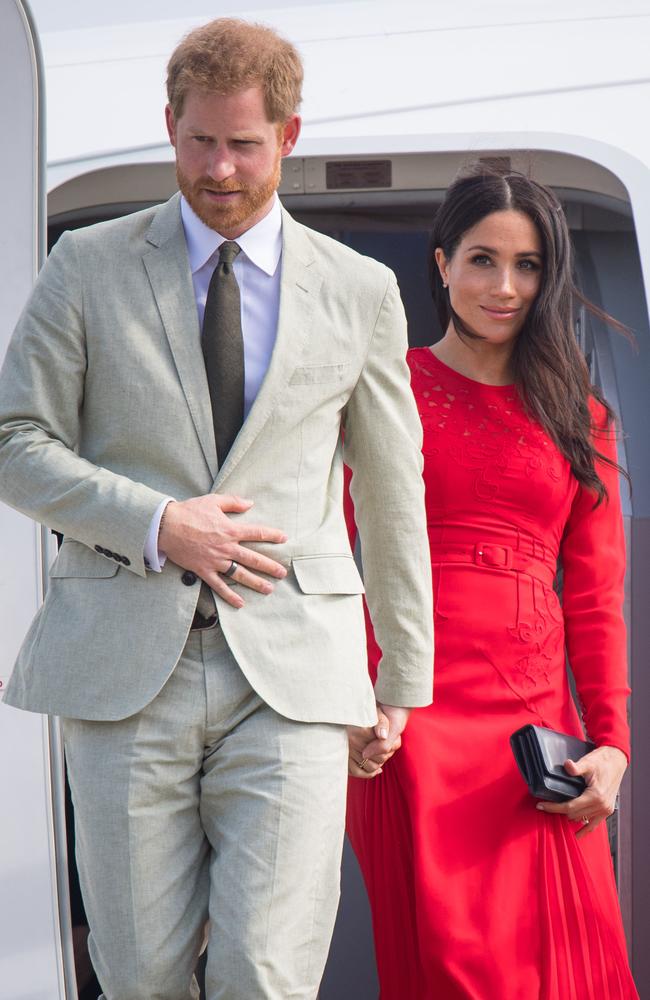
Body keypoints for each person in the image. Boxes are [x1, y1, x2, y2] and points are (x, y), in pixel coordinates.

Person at [0, 18, 434, 1000]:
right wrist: (160, 523)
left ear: (287, 135)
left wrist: (400, 676)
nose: (219, 167)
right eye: (199, 140)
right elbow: (14, 444)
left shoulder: (358, 290)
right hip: (123, 672)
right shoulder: (89, 267)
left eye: (243, 143)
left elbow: (390, 487)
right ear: (169, 125)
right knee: (142, 978)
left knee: (263, 972)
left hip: (292, 675)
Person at [346, 167, 639, 999]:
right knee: (450, 966)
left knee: (564, 963)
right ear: (441, 264)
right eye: (482, 259)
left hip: (536, 732)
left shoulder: (581, 416)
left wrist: (613, 744)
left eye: (528, 265)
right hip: (408, 716)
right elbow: (322, 551)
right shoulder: (384, 388)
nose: (504, 287)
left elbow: (595, 597)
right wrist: (349, 703)